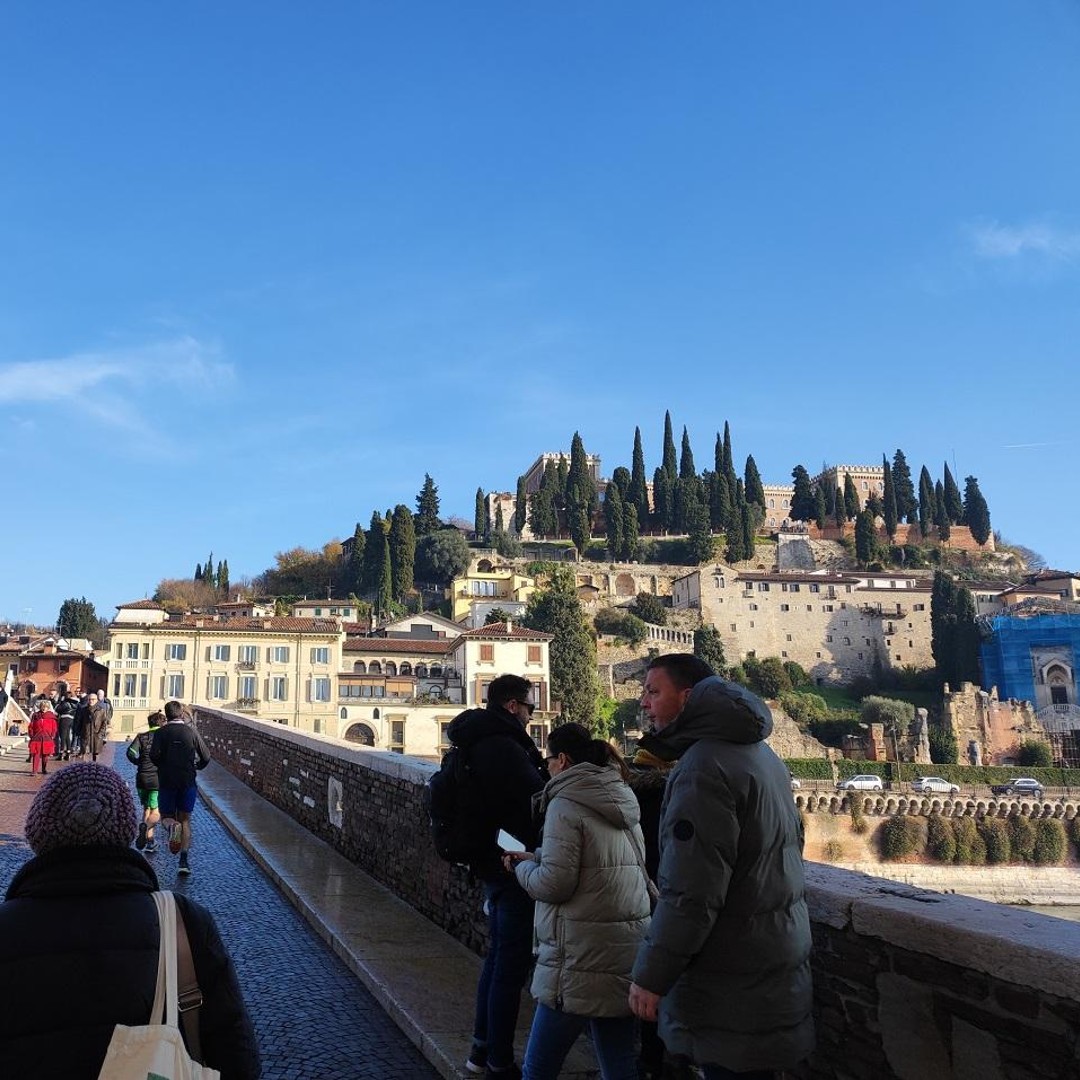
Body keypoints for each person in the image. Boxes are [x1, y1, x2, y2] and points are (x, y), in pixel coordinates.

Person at [0, 762, 260, 1078]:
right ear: (124, 829)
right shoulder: (182, 922)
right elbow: (236, 1054)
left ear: (39, 832)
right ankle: (175, 844)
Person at [629, 654, 815, 1080]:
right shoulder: (760, 753)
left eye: (653, 691)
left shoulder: (702, 767)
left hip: (732, 974)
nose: (644, 703)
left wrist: (651, 976)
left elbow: (691, 892)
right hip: (773, 956)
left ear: (687, 697)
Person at [504, 723, 650, 1080]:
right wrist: (538, 856)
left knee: (538, 1069)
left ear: (564, 760)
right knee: (619, 1064)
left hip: (578, 958)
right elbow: (598, 859)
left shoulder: (565, 803)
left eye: (549, 760)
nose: (547, 767)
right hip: (622, 951)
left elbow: (555, 885)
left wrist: (520, 869)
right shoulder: (620, 795)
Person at [447, 673, 548, 1080]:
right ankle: (499, 1061)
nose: (531, 714)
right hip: (510, 865)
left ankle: (481, 1048)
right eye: (529, 706)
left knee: (497, 960)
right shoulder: (504, 746)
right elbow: (538, 797)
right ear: (512, 705)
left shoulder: (476, 739)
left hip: (488, 860)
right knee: (509, 965)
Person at [150, 699, 212, 877]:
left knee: (166, 817)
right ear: (181, 714)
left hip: (167, 780)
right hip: (187, 780)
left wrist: (163, 765)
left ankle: (172, 827)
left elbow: (153, 755)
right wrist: (197, 766)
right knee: (185, 820)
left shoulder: (161, 732)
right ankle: (183, 861)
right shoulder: (191, 732)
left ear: (167, 715)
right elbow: (206, 756)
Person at [127, 710, 164, 853]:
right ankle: (145, 828)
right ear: (161, 724)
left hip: (141, 777)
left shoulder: (141, 736)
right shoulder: (163, 737)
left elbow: (130, 752)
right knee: (156, 812)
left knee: (146, 808)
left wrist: (138, 762)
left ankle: (150, 842)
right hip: (156, 778)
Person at [28, 699, 58, 775]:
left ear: (48, 708)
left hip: (47, 738)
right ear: (40, 707)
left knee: (45, 755)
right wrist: (31, 735)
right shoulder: (36, 715)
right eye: (43, 707)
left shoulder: (51, 717)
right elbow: (31, 726)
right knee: (36, 754)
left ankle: (44, 769)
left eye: (46, 707)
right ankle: (34, 771)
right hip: (37, 737)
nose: (44, 708)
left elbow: (54, 727)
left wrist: (52, 735)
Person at [54, 690, 78, 761]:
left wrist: (60, 702)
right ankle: (68, 753)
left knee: (63, 737)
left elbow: (57, 710)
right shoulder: (75, 703)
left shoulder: (65, 703)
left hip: (64, 719)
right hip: (71, 719)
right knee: (67, 736)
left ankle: (61, 753)